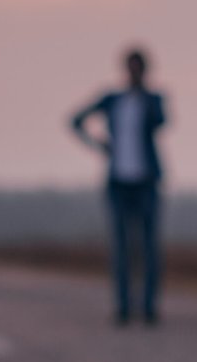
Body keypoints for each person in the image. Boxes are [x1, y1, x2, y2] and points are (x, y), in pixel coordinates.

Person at [69, 47, 167, 325]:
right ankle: (123, 306)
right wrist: (99, 144)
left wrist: (144, 98)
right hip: (118, 182)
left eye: (139, 68)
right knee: (122, 246)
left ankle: (148, 306)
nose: (135, 72)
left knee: (148, 247)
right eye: (131, 67)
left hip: (146, 180)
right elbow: (76, 120)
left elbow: (161, 122)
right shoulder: (112, 99)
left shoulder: (153, 99)